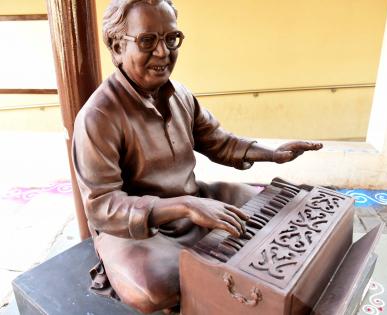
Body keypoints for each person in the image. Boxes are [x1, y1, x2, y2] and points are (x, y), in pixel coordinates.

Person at [72, 0, 323, 313]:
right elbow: (102, 207)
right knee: (155, 288)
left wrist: (272, 154)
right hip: (139, 231)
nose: (163, 53)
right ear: (116, 47)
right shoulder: (98, 117)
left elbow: (218, 142)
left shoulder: (180, 94)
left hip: (195, 199)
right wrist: (186, 206)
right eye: (148, 41)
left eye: (171, 39)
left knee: (277, 212)